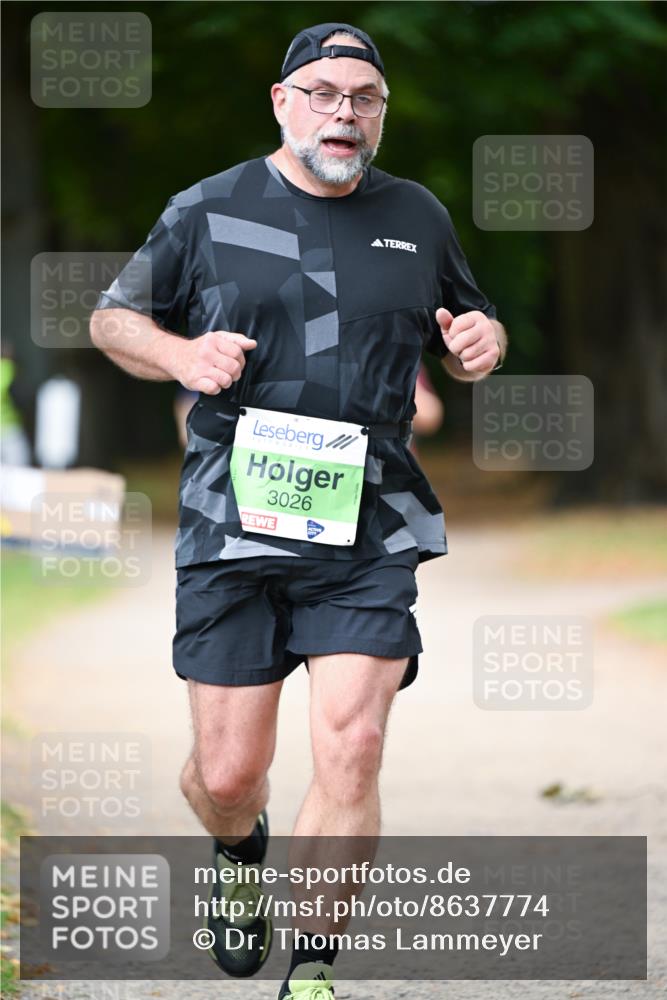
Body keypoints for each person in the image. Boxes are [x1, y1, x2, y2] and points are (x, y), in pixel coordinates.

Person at [90, 21, 506, 999]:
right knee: (229, 774)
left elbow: (464, 329)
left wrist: (478, 342)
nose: (344, 112)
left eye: (363, 97)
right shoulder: (209, 207)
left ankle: (312, 967)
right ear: (284, 102)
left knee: (352, 746)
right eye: (322, 92)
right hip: (230, 519)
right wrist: (182, 356)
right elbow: (114, 317)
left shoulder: (418, 214)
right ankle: (239, 857)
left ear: (379, 113)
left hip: (367, 525)